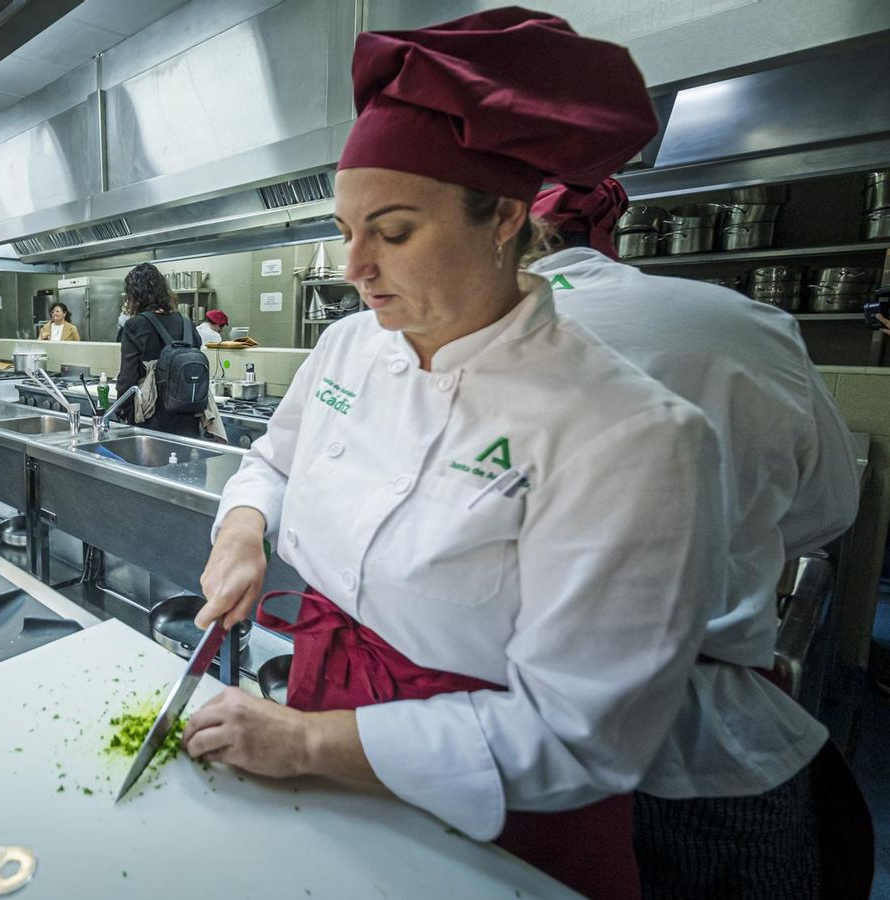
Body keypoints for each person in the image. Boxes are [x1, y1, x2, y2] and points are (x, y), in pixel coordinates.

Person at [184, 11, 723, 900]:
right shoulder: (350, 350)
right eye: (346, 229)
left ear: (505, 216)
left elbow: (579, 737)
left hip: (499, 816)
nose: (354, 266)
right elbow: (272, 463)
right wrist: (244, 530)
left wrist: (307, 742)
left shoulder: (631, 434)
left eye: (392, 232)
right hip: (317, 720)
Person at [528, 179, 866, 898]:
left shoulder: (459, 335)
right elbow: (829, 510)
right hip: (709, 742)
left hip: (509, 728)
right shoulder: (745, 324)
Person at [115, 263, 204, 438]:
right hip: (189, 419)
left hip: (151, 420)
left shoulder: (135, 325)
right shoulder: (187, 323)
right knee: (186, 465)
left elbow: (128, 378)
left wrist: (123, 410)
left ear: (134, 295)